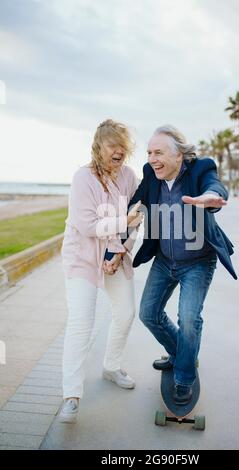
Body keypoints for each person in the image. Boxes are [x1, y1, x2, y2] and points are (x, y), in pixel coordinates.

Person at [129, 125, 237, 405]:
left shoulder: (200, 168)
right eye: (149, 152)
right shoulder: (151, 174)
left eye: (159, 153)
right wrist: (117, 241)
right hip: (165, 260)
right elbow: (135, 203)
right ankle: (181, 353)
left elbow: (214, 186)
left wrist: (210, 199)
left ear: (179, 156)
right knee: (148, 313)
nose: (152, 158)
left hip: (198, 262)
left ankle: (184, 377)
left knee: (189, 319)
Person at [59, 119, 142, 423]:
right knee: (81, 323)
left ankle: (111, 366)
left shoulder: (130, 176)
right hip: (82, 257)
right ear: (99, 147)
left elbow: (139, 216)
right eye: (112, 145)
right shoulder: (83, 178)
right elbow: (88, 226)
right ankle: (71, 395)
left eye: (123, 145)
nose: (118, 151)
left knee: (126, 312)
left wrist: (119, 251)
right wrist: (124, 225)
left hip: (115, 256)